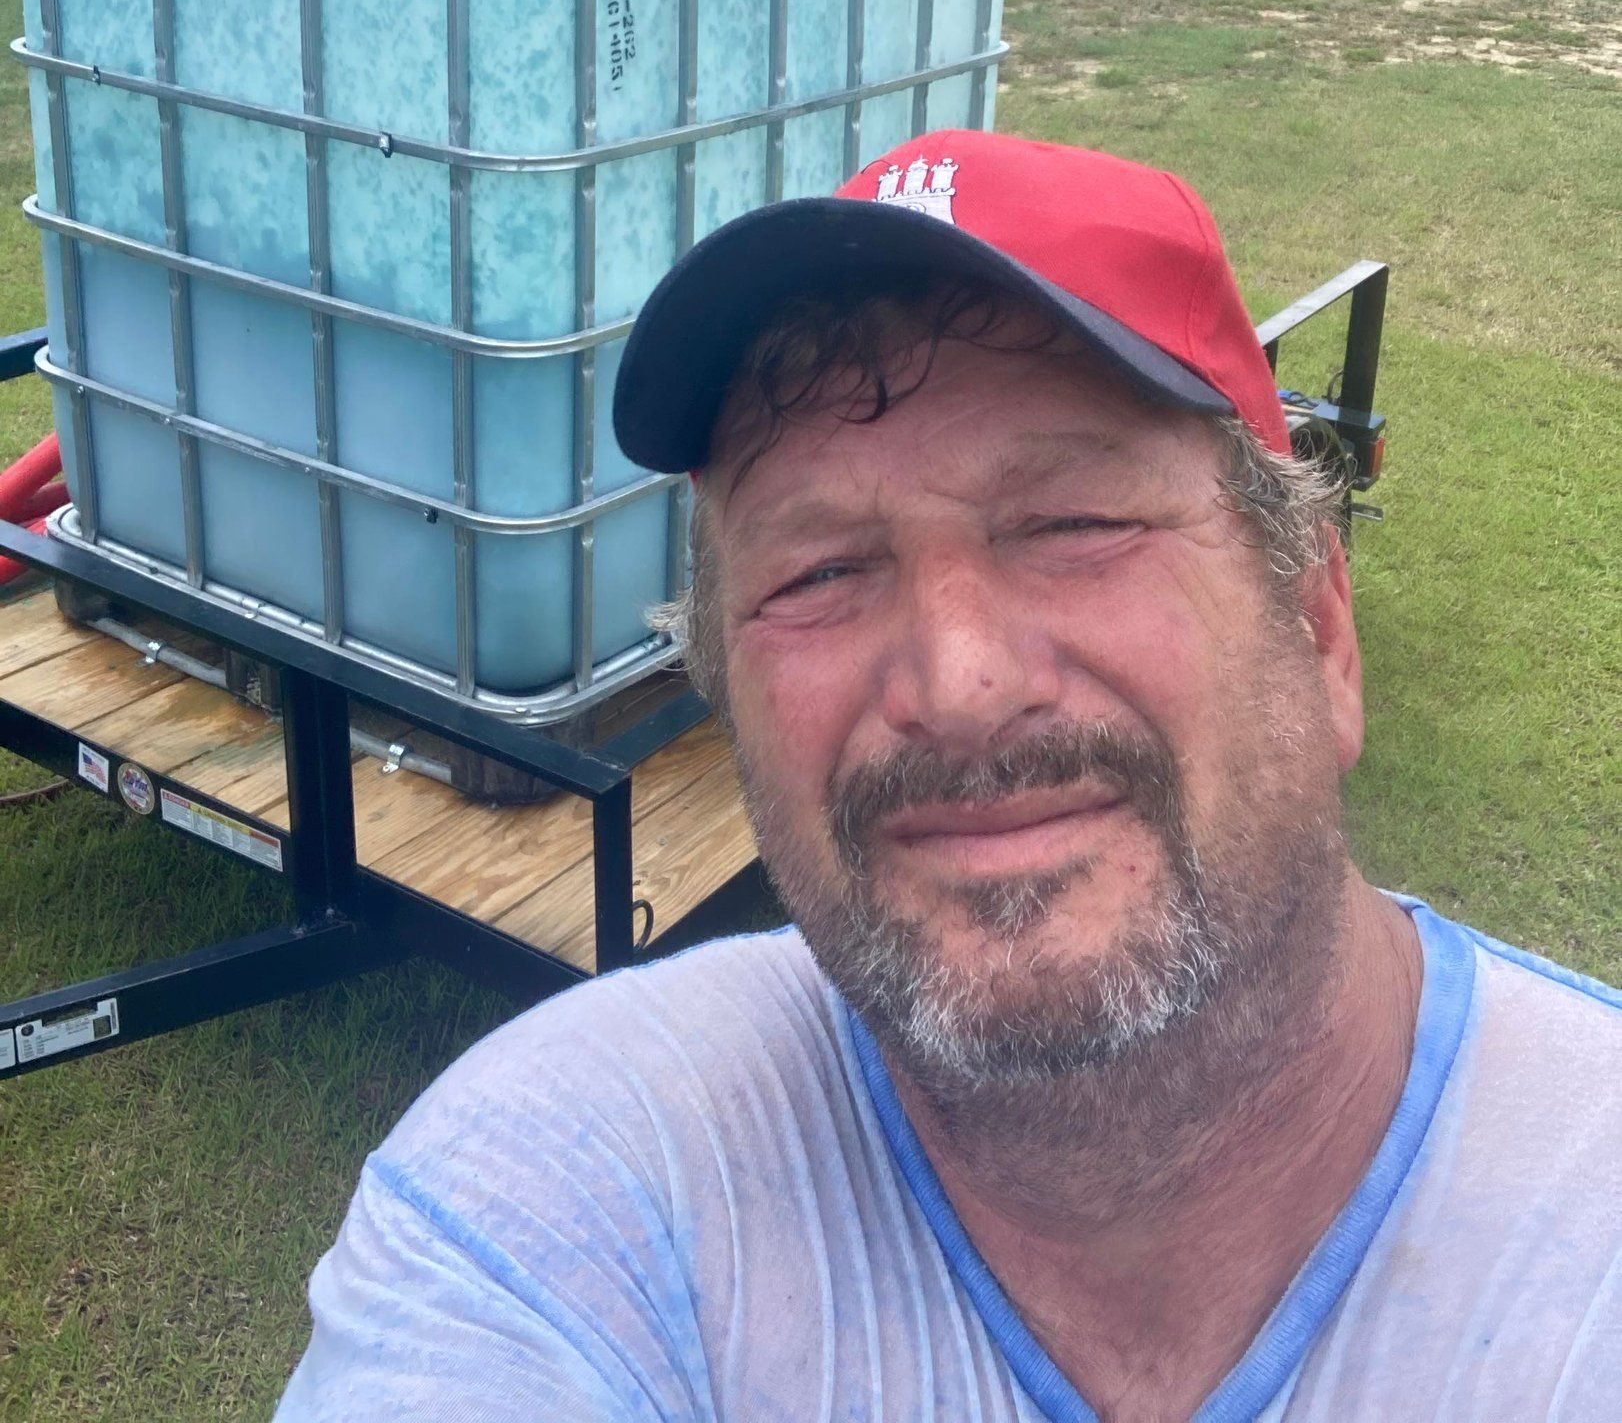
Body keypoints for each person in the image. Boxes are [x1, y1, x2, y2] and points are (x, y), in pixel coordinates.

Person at [278, 130, 1621, 1422]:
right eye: (818, 573)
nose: (958, 683)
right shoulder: (571, 1187)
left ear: (1317, 629)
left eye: (1070, 523)